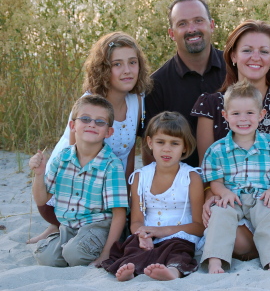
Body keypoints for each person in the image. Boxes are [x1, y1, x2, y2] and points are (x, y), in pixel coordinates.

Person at [192, 19, 270, 259]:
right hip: (233, 199)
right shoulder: (211, 104)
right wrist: (210, 195)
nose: (255, 57)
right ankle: (264, 246)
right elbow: (206, 167)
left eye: (264, 51)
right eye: (247, 50)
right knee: (240, 244)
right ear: (234, 56)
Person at [28, 31, 151, 244]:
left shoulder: (137, 100)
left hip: (106, 188)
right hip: (63, 197)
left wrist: (126, 198)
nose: (127, 71)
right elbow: (76, 167)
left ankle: (59, 229)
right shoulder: (90, 105)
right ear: (104, 69)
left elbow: (130, 150)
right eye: (117, 64)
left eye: (133, 62)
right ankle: (58, 226)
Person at [200, 80, 270, 273]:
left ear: (261, 115)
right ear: (225, 115)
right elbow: (215, 183)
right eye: (236, 113)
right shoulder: (217, 150)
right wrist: (224, 193)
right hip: (232, 196)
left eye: (250, 113)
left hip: (263, 195)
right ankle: (215, 260)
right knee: (219, 214)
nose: (243, 119)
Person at [102, 111, 204, 281]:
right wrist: (142, 234)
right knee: (132, 247)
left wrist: (164, 231)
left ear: (185, 147)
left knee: (178, 252)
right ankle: (131, 270)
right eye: (160, 142)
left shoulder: (190, 177)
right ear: (150, 142)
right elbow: (135, 221)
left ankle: (173, 271)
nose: (166, 149)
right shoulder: (140, 177)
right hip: (148, 234)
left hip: (179, 234)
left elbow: (199, 226)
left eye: (175, 143)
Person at [28, 95, 129, 267]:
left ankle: (93, 249)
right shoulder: (62, 158)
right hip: (68, 226)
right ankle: (69, 246)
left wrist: (106, 253)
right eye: (85, 119)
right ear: (73, 125)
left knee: (74, 254)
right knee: (46, 257)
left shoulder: (111, 165)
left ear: (109, 131)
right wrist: (39, 174)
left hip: (99, 227)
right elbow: (41, 199)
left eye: (100, 122)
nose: (92, 124)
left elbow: (119, 214)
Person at [139, 0, 226, 167]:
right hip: (182, 187)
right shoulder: (155, 85)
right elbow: (149, 148)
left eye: (198, 20)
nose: (192, 29)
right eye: (182, 24)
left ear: (212, 25)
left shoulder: (236, 68)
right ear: (172, 33)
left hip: (238, 182)